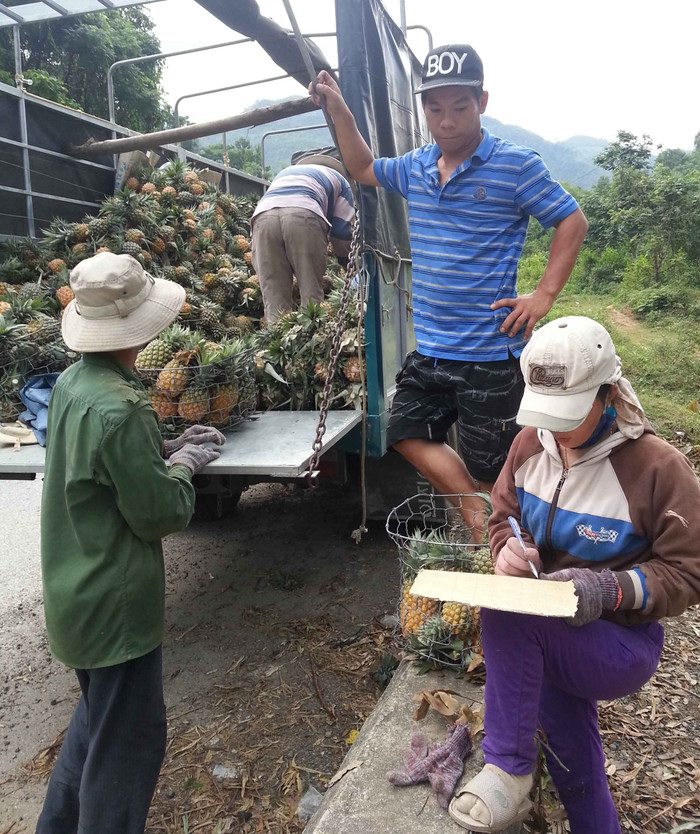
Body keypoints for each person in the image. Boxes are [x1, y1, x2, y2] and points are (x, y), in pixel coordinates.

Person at [310, 45, 589, 537]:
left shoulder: (516, 166)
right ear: (423, 108)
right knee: (401, 431)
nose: (447, 120)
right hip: (433, 349)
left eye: (459, 106)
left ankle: (506, 552)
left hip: (490, 352)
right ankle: (479, 519)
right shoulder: (416, 168)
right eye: (434, 108)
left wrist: (543, 296)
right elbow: (363, 168)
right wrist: (340, 111)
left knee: (492, 468)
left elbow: (571, 219)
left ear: (481, 101)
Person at [448, 316, 700, 833]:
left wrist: (607, 588)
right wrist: (509, 550)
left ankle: (509, 768)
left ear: (608, 394)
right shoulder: (528, 447)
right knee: (573, 758)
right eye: (546, 414)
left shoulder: (657, 469)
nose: (555, 430)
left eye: (569, 414)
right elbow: (503, 516)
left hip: (621, 644)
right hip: (550, 632)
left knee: (511, 616)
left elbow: (689, 571)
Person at [36, 252, 226, 833]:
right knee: (129, 749)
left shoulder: (73, 383)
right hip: (115, 613)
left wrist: (160, 449)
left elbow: (95, 466)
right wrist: (186, 465)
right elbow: (158, 513)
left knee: (96, 727)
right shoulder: (122, 406)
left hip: (76, 601)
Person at [251, 152, 355, 321]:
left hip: (263, 218)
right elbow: (341, 233)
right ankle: (312, 344)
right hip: (304, 214)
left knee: (274, 300)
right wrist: (348, 266)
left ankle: (280, 341)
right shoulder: (341, 182)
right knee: (311, 297)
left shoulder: (287, 173)